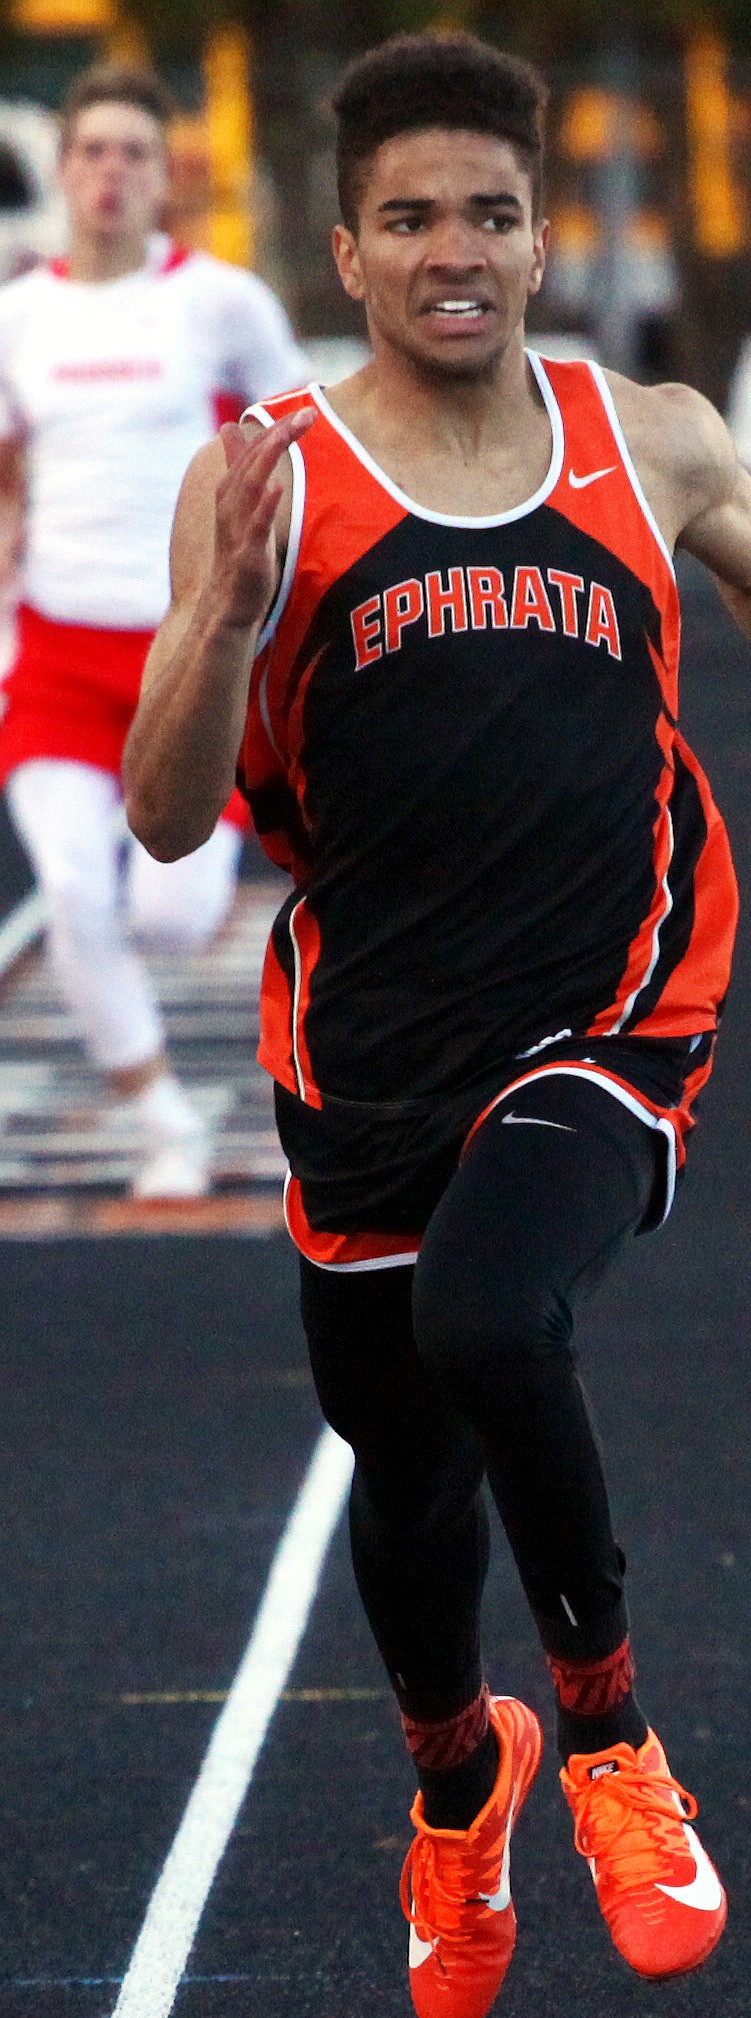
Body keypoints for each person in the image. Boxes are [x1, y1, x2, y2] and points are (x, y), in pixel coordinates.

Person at [124, 33, 751, 2018]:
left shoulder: (638, 431)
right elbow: (162, 816)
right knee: (402, 1479)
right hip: (367, 1057)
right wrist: (220, 624)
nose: (454, 251)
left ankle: (603, 1731)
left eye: (488, 212)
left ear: (542, 236)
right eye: (410, 218)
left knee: (496, 1320)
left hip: (611, 999)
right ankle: (453, 1774)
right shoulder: (270, 483)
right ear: (347, 246)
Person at [0, 63, 305, 1197]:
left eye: (135, 152)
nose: (112, 173)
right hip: (59, 659)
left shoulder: (218, 302)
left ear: (163, 177)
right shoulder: (17, 318)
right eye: (92, 152)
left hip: (189, 659)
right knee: (74, 892)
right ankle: (161, 1115)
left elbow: (298, 439)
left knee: (172, 914)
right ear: (63, 171)